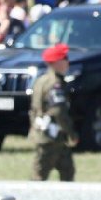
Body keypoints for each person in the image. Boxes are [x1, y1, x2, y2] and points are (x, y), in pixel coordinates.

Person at [30, 43, 78, 181]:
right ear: (56, 62)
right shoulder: (55, 84)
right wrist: (71, 133)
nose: (68, 62)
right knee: (40, 175)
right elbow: (58, 111)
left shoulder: (41, 80)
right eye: (65, 58)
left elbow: (33, 109)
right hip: (51, 136)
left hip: (47, 134)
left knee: (67, 171)